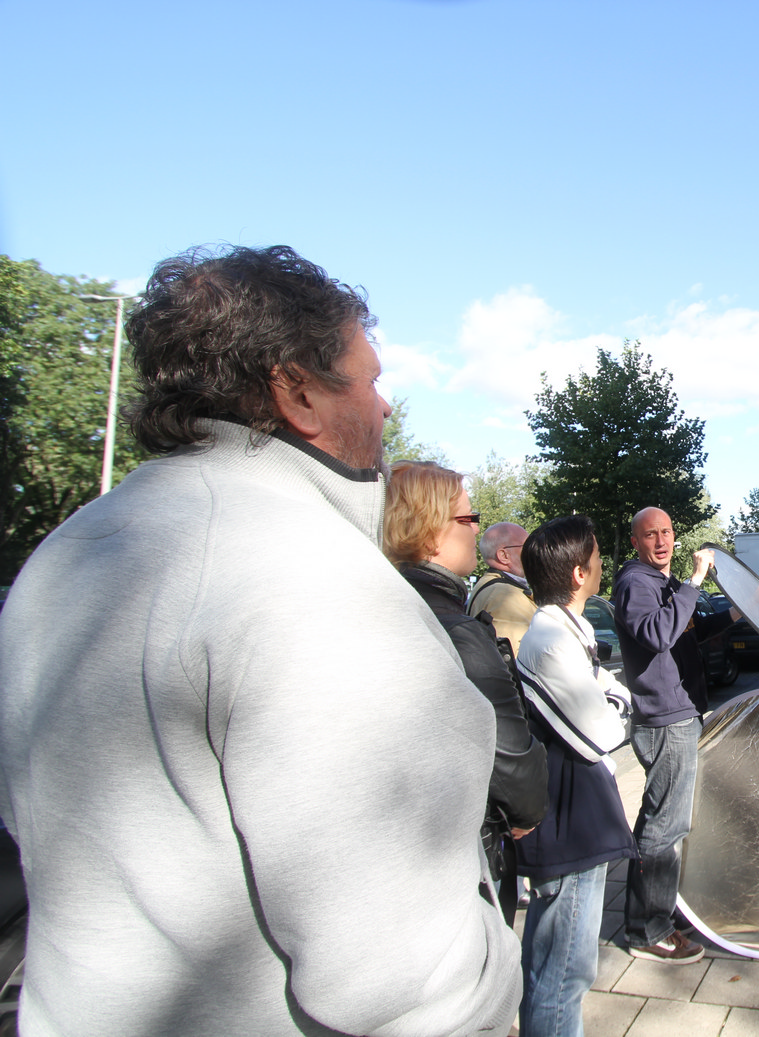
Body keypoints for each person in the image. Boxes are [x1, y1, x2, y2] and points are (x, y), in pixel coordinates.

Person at [0, 245, 523, 1036]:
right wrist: (494, 980)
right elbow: (403, 979)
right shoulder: (315, 580)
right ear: (296, 391)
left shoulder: (64, 554)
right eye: (371, 378)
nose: (385, 407)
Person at [382, 462, 548, 922]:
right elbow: (512, 757)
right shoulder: (458, 630)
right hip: (466, 854)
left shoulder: (383, 608)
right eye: (468, 518)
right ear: (431, 530)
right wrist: (524, 811)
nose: (477, 529)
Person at [512, 515, 635, 1036]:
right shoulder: (552, 640)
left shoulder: (564, 631)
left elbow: (611, 694)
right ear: (580, 574)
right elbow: (603, 732)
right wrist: (617, 702)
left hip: (575, 819)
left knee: (556, 966)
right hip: (570, 826)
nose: (603, 563)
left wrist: (613, 696)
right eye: (597, 556)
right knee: (563, 973)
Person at [610, 507, 734, 963]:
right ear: (635, 541)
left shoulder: (662, 583)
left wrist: (741, 609)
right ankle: (646, 930)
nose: (661, 541)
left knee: (671, 821)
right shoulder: (635, 583)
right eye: (650, 534)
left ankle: (665, 910)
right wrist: (696, 580)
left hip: (682, 714)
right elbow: (658, 633)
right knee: (664, 825)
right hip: (666, 720)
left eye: (666, 532)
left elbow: (687, 633)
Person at [469, 521, 538, 651]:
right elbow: (514, 656)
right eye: (527, 547)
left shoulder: (489, 584)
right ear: (504, 556)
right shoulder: (506, 596)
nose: (533, 552)